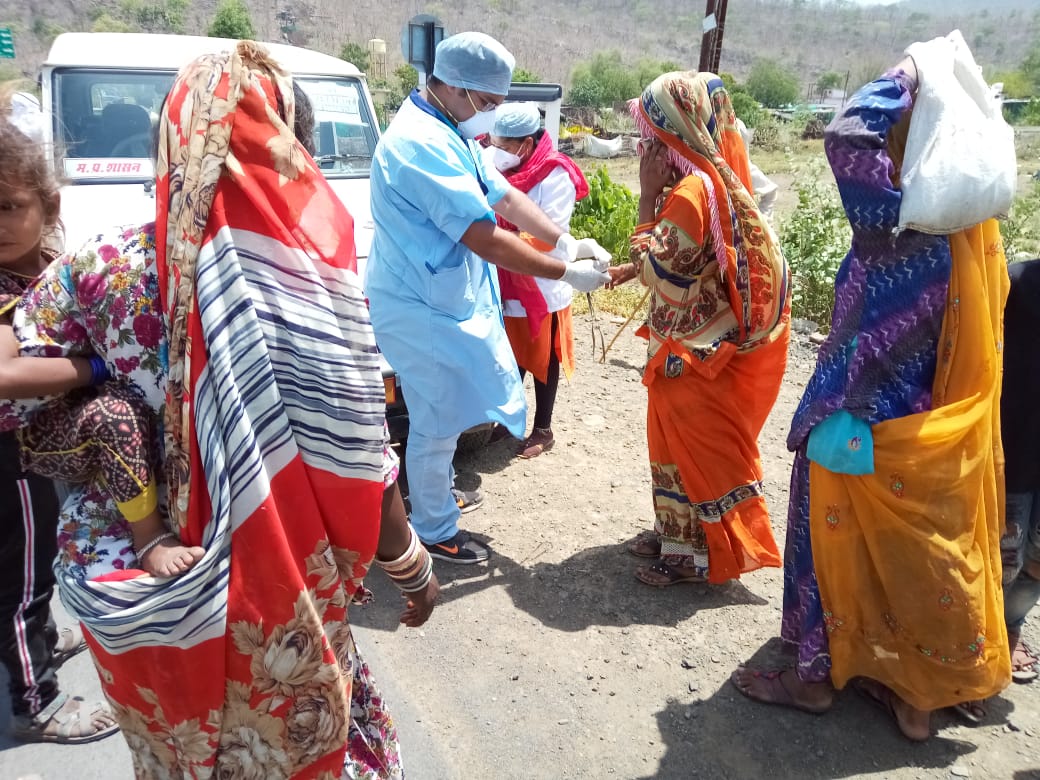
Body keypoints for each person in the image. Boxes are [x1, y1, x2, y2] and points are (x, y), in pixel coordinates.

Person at [15, 43, 437, 776]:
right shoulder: (315, 293)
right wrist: (408, 561)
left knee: (180, 760)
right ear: (295, 155)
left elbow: (14, 368)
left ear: (171, 151)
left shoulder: (97, 266)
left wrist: (92, 373)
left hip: (143, 612)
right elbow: (360, 448)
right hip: (278, 610)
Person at [730, 56, 1011, 742]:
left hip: (852, 423)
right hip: (926, 428)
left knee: (830, 551)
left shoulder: (892, 232)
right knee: (909, 558)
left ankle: (814, 679)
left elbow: (847, 136)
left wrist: (906, 74)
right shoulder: (964, 244)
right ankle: (915, 697)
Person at [366, 31, 611, 564]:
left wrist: (561, 238)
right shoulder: (420, 144)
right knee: (434, 418)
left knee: (446, 411)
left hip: (439, 296)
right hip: (418, 303)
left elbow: (501, 193)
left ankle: (434, 496)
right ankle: (433, 530)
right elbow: (483, 235)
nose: (491, 115)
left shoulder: (448, 128)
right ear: (454, 86)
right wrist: (565, 271)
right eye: (489, 104)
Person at [605, 72, 790, 588]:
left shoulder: (689, 190)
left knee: (689, 452)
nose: (642, 144)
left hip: (689, 355)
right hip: (685, 343)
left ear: (670, 135)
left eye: (648, 131)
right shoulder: (702, 180)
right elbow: (684, 261)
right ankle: (675, 537)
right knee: (671, 449)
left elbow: (657, 267)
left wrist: (644, 201)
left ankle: (697, 557)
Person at [0, 89, 119, 743]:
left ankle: (40, 638)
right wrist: (96, 371)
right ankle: (35, 701)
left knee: (33, 563)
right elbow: (7, 372)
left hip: (33, 451)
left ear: (49, 206)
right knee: (18, 582)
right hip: (9, 456)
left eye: (10, 207)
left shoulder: (41, 268)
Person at [485, 102, 590, 458]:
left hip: (543, 283)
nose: (494, 151)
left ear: (526, 145)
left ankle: (543, 429)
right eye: (493, 143)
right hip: (506, 279)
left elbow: (550, 234)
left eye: (502, 146)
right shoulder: (497, 165)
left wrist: (500, 242)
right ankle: (509, 419)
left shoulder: (554, 173)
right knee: (510, 355)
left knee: (544, 358)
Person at [999, 257, 1040, 684]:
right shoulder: (1015, 284)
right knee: (1001, 561)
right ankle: (982, 655)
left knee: (1035, 569)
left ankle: (1008, 634)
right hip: (1014, 459)